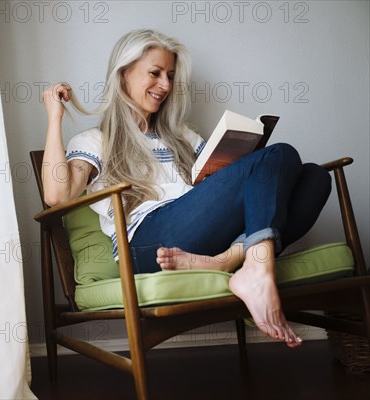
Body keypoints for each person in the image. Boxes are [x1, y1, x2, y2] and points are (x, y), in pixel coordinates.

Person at [41, 29, 331, 348]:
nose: (165, 86)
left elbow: (226, 190)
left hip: (200, 236)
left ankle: (226, 261)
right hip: (145, 245)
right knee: (280, 153)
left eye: (170, 76)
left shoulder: (184, 138)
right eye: (155, 73)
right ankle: (257, 269)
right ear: (123, 74)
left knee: (315, 177)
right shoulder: (95, 141)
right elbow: (57, 196)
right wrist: (54, 118)